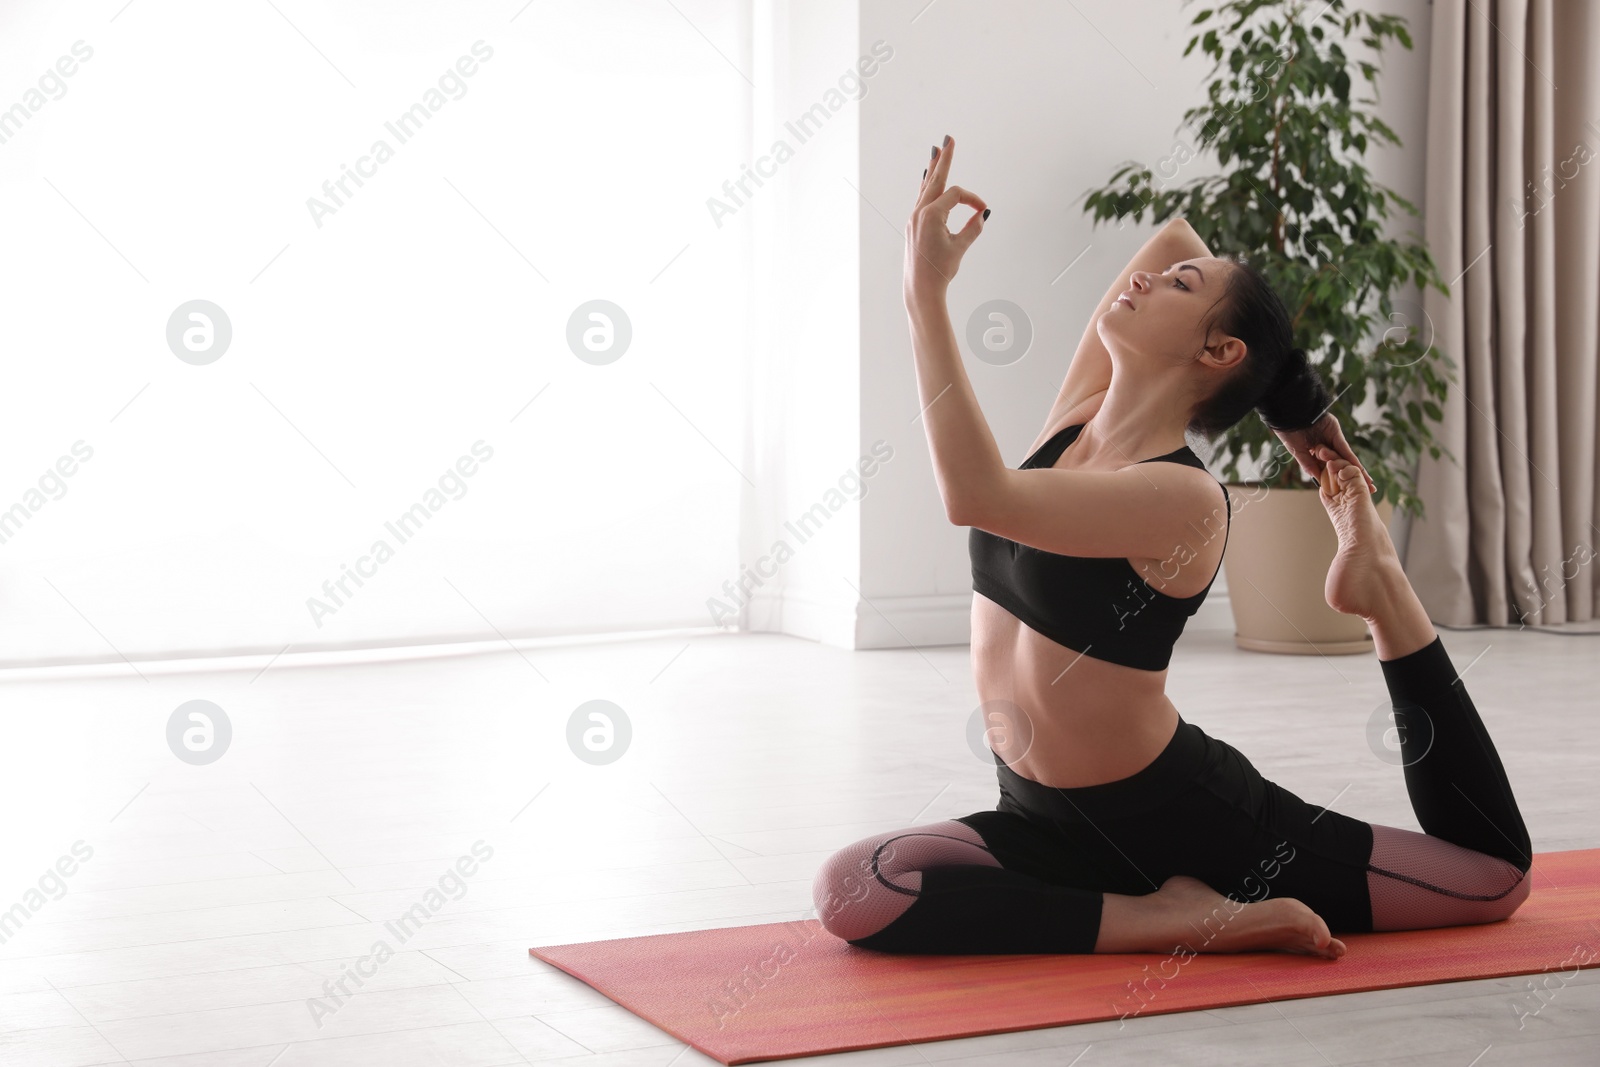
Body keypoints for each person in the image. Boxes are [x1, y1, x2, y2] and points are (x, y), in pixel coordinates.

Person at [810, 136, 1531, 958]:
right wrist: (1296, 406)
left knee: (1491, 880)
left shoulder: (1184, 498)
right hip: (1036, 815)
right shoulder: (1076, 418)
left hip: (1184, 820)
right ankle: (1162, 919)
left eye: (1180, 289)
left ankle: (1382, 587)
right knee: (856, 886)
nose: (1144, 276)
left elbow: (972, 495)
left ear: (1219, 353)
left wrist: (924, 293)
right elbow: (1179, 235)